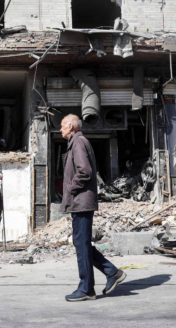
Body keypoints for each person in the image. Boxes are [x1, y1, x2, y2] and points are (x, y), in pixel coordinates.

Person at [60, 114, 126, 302]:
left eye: (62, 126)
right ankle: (111, 272)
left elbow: (85, 171)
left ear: (71, 126)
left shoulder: (78, 142)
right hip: (80, 202)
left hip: (81, 202)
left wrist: (70, 188)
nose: (60, 129)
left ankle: (87, 288)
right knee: (82, 244)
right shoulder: (76, 142)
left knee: (81, 244)